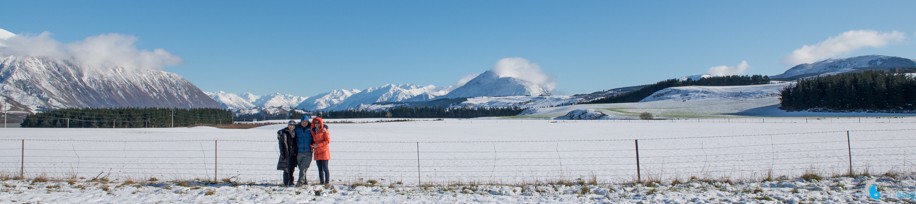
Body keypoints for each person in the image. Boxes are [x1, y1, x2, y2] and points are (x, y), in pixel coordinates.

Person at [293, 115, 314, 186]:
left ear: (308, 122)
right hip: (299, 152)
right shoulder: (297, 128)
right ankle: (305, 182)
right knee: (302, 168)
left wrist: (325, 127)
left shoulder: (311, 128)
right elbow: (289, 128)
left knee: (303, 168)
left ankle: (300, 182)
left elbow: (321, 126)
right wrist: (281, 131)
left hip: (308, 152)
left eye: (306, 121)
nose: (304, 123)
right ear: (301, 122)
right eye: (303, 121)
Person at [276, 120, 298, 186]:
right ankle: (286, 182)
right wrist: (282, 153)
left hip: (294, 153)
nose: (291, 126)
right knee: (286, 168)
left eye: (293, 125)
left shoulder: (296, 132)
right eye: (290, 125)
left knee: (292, 168)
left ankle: (291, 181)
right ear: (288, 126)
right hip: (286, 153)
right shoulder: (284, 133)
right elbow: (281, 145)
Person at [311, 117, 331, 185]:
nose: (317, 124)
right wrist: (312, 146)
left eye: (318, 123)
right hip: (317, 152)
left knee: (325, 168)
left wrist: (318, 145)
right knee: (320, 169)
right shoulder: (313, 131)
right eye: (315, 123)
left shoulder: (324, 130)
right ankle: (321, 182)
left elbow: (327, 141)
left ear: (321, 123)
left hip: (324, 151)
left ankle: (327, 182)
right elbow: (313, 141)